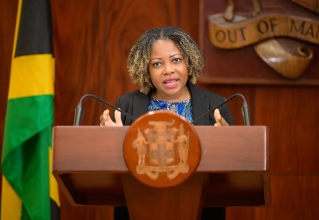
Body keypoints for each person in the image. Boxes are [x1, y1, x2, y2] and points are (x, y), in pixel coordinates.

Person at [100, 26, 234, 220]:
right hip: (139, 207)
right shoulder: (127, 105)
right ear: (145, 69)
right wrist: (111, 142)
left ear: (188, 61)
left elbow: (231, 174)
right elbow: (111, 173)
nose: (168, 70)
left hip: (202, 211)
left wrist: (229, 145)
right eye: (157, 64)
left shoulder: (216, 105)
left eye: (176, 60)